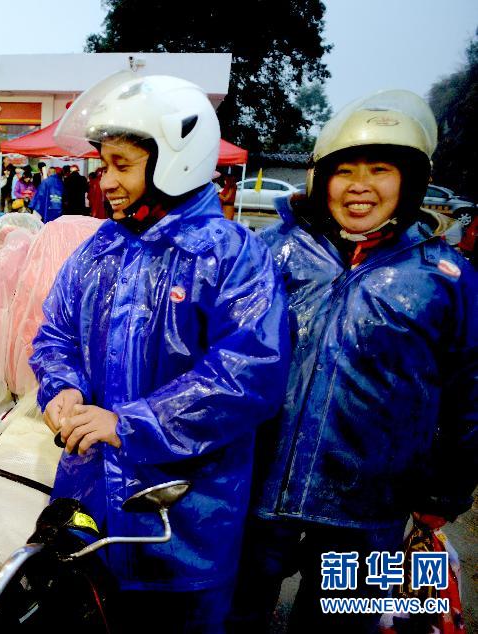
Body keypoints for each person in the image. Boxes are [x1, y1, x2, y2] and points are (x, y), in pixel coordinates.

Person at [29, 73, 289, 633]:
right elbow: (56, 334)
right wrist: (62, 387)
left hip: (186, 522)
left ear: (177, 160)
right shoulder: (98, 249)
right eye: (104, 165)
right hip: (92, 504)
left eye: (121, 164)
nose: (106, 181)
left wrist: (128, 423)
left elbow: (248, 377)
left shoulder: (233, 257)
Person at [227, 90, 478, 633]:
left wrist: (448, 490)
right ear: (322, 179)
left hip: (368, 513)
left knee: (336, 629)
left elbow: (469, 391)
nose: (361, 185)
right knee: (234, 618)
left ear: (409, 181)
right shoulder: (269, 253)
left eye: (381, 169)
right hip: (256, 497)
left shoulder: (444, 276)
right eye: (346, 170)